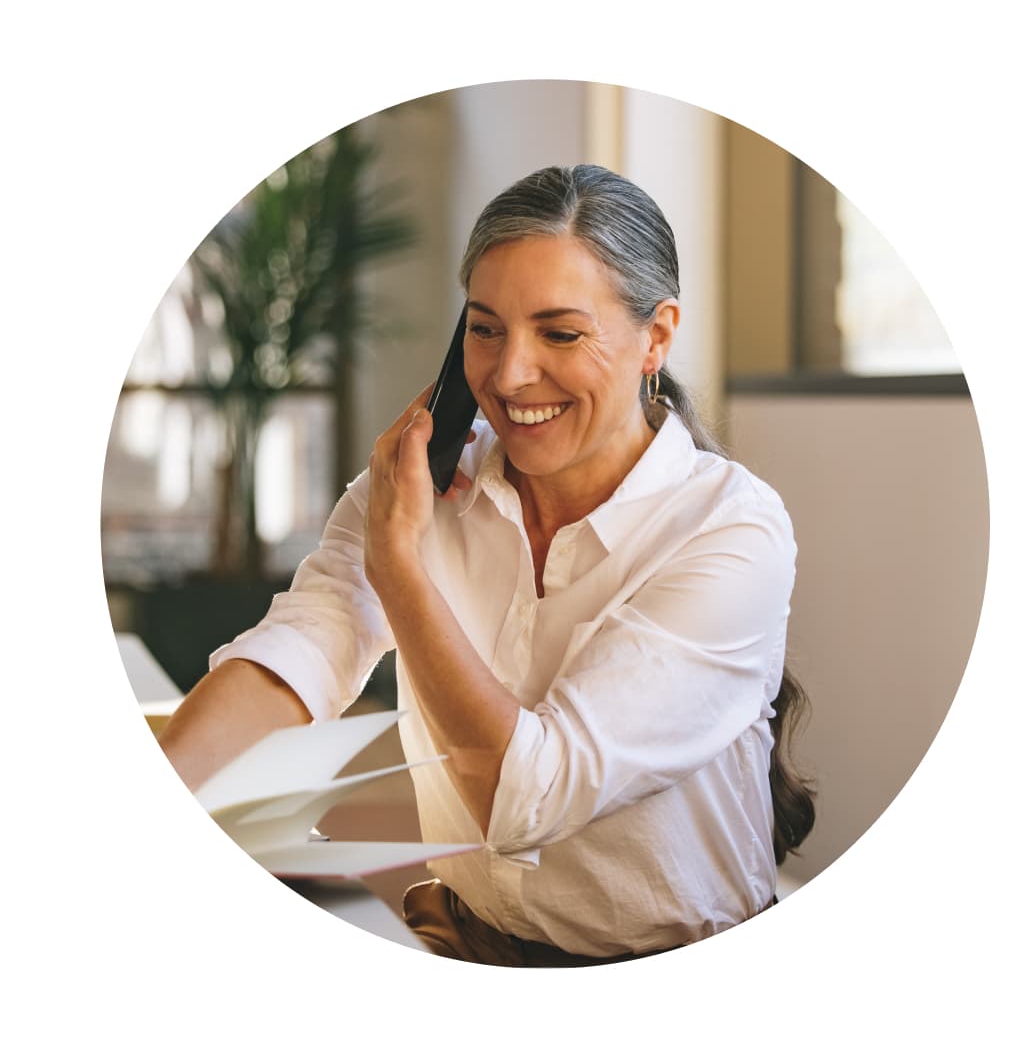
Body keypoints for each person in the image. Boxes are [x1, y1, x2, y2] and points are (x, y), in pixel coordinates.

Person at [158, 163, 816, 967]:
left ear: (657, 336)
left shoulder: (732, 531)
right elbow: (302, 648)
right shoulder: (420, 487)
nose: (508, 376)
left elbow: (527, 795)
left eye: (560, 333)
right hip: (463, 937)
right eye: (484, 327)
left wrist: (401, 570)